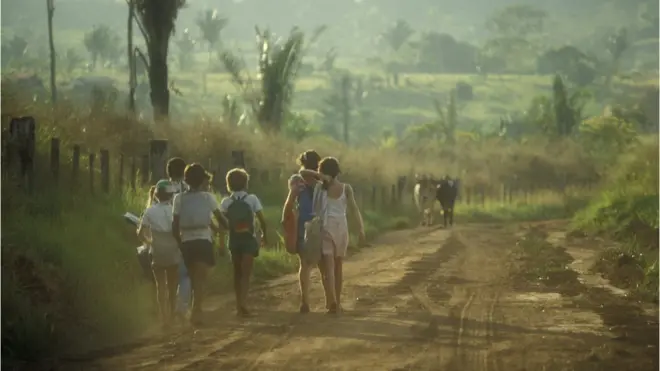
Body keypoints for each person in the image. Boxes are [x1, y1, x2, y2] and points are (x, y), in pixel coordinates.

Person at [307, 157, 365, 314]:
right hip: (336, 228)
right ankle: (335, 302)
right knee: (335, 267)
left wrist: (360, 228)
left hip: (330, 228)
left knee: (332, 267)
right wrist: (360, 229)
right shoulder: (329, 187)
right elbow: (354, 210)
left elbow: (354, 209)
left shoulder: (323, 188)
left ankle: (334, 301)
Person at [172, 163, 228, 326]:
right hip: (203, 239)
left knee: (190, 276)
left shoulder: (179, 198)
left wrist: (179, 242)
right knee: (200, 279)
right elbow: (220, 218)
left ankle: (189, 309)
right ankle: (197, 310)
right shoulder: (207, 197)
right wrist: (227, 228)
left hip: (187, 240)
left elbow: (175, 225)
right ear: (203, 179)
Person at [282, 150, 330, 314]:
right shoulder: (324, 181)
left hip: (304, 225)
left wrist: (285, 219)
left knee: (305, 265)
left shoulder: (297, 180)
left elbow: (289, 202)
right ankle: (329, 300)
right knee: (324, 265)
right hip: (321, 224)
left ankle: (305, 302)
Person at [220, 168, 268, 317]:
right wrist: (265, 236)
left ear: (228, 184)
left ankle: (238, 304)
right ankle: (243, 303)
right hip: (249, 239)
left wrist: (221, 243)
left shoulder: (226, 202)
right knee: (246, 273)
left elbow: (222, 225)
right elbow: (261, 219)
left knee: (237, 273)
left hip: (234, 240)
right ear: (246, 183)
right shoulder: (252, 199)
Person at [137, 180, 181, 328]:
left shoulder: (150, 211)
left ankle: (164, 318)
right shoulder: (175, 211)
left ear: (156, 195)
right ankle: (173, 315)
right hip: (173, 251)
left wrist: (150, 242)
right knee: (173, 285)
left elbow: (140, 234)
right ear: (170, 195)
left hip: (157, 252)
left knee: (160, 285)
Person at [166, 157, 192, 322]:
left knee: (167, 275)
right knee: (185, 274)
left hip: (163, 234)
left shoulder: (162, 186)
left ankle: (165, 310)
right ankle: (181, 307)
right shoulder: (188, 189)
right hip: (183, 234)